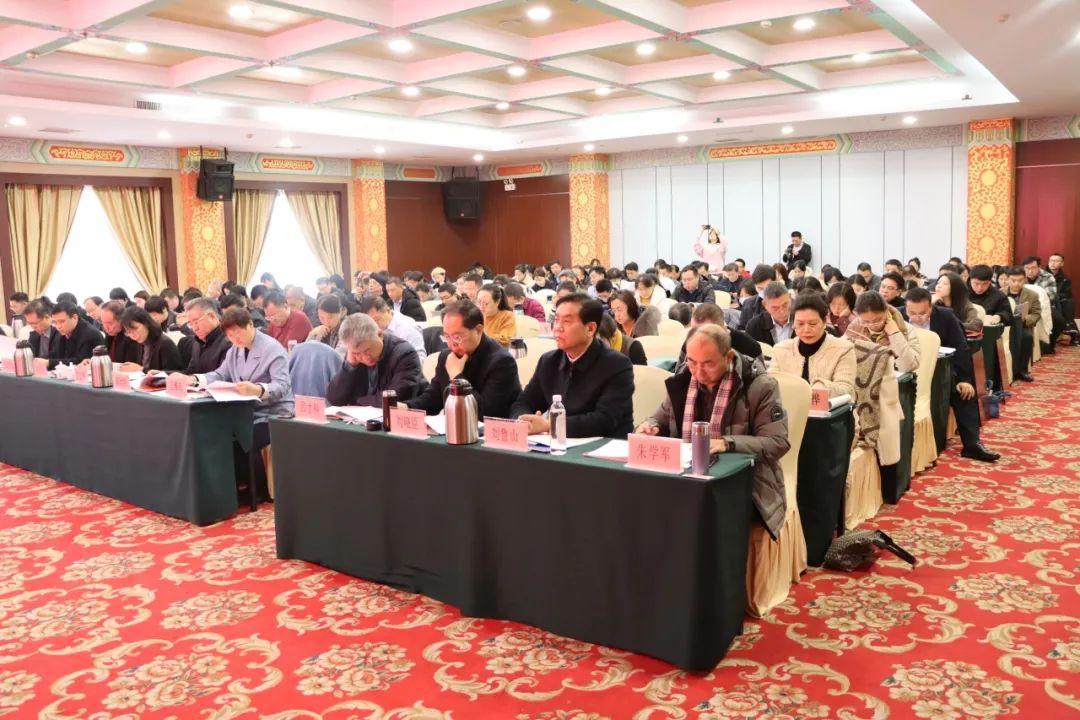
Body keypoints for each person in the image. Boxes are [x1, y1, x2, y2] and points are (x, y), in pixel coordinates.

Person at [636, 324, 790, 538]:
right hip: (686, 475)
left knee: (698, 514)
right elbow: (659, 418)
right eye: (692, 362)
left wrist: (727, 443)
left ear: (728, 357)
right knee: (642, 502)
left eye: (708, 364)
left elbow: (777, 442)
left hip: (746, 482)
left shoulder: (759, 385)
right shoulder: (683, 381)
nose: (698, 372)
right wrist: (649, 427)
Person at [176, 307, 293, 502]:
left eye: (238, 333)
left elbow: (282, 386)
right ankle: (233, 485)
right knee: (218, 436)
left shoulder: (272, 349)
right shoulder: (235, 349)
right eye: (230, 335)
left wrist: (258, 389)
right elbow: (220, 374)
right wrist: (195, 379)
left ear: (250, 325)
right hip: (244, 411)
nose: (234, 339)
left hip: (273, 412)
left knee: (245, 439)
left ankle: (258, 490)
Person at [510, 294, 634, 437]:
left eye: (566, 322)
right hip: (556, 443)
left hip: (603, 446)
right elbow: (524, 402)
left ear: (590, 329)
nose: (557, 328)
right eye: (556, 320)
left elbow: (604, 420)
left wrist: (549, 425)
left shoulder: (617, 364)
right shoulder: (549, 361)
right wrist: (523, 421)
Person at [904, 288, 1000, 462]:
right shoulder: (897, 317)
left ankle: (972, 444)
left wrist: (964, 380)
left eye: (923, 313)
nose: (917, 318)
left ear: (931, 307)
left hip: (943, 371)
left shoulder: (946, 317)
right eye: (912, 313)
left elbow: (962, 349)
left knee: (964, 393)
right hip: (909, 374)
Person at [407, 300, 521, 418]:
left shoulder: (502, 362)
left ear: (478, 330)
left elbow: (485, 413)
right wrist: (407, 407)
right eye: (447, 337)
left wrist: (456, 377)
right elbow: (433, 398)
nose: (451, 344)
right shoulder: (447, 356)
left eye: (457, 337)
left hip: (493, 427)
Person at [771, 293, 857, 398]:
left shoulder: (843, 349)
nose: (806, 329)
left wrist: (822, 386)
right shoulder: (780, 350)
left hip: (829, 408)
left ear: (824, 322)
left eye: (812, 324)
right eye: (800, 324)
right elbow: (771, 385)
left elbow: (846, 390)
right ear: (793, 324)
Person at [327, 312, 422, 407]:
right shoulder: (353, 357)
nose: (365, 357)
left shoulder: (405, 354)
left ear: (380, 335)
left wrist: (357, 401)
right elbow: (334, 399)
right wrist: (349, 366)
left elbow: (394, 400)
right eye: (357, 354)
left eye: (368, 350)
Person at [844, 291, 920, 374]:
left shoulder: (905, 329)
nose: (872, 325)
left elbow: (908, 367)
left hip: (893, 378)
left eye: (877, 320)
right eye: (866, 322)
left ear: (886, 311)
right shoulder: (854, 328)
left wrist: (895, 334)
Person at [359, 295, 426, 360]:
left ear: (388, 311)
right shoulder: (373, 328)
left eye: (377, 320)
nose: (374, 325)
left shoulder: (407, 328)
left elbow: (420, 358)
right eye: (371, 322)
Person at [118, 306, 182, 372]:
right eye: (128, 332)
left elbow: (174, 374)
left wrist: (141, 369)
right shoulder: (140, 342)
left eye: (135, 329)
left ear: (146, 323)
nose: (133, 335)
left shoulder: (165, 344)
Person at [1004, 266, 1040, 382]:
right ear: (1007, 279)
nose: (1016, 284)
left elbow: (1036, 314)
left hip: (1022, 325)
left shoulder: (1032, 295)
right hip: (1005, 326)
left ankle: (1022, 370)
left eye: (1020, 280)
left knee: (1027, 337)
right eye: (1013, 280)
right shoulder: (1000, 293)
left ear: (1024, 279)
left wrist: (1025, 318)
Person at [48, 301, 103, 369]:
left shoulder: (90, 335)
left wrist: (49, 363)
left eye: (62, 321)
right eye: (55, 322)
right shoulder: (60, 332)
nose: (58, 326)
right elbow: (55, 354)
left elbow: (80, 361)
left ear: (74, 317)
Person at [183, 298, 231, 375]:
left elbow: (223, 376)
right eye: (190, 324)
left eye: (196, 322)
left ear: (212, 316)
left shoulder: (229, 341)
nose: (195, 328)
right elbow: (191, 372)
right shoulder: (198, 342)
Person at [744, 282, 792, 347]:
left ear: (790, 298)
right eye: (775, 308)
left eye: (785, 305)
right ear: (764, 305)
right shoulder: (754, 326)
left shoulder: (802, 318)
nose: (781, 311)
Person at [95, 300, 142, 365]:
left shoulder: (132, 336)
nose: (106, 328)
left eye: (110, 323)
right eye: (103, 323)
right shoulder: (110, 334)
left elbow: (128, 366)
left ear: (121, 320)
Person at [1048, 252, 1078, 343]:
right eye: (1051, 261)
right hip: (1047, 299)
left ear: (1062, 264)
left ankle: (1068, 327)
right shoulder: (1043, 276)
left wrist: (1057, 295)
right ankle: (1069, 328)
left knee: (1070, 301)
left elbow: (1067, 293)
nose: (1053, 263)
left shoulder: (1065, 279)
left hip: (1059, 301)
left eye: (1056, 261)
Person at [738, 264, 778, 329]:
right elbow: (742, 328)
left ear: (775, 282)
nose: (764, 292)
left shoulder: (785, 302)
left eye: (767, 287)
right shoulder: (748, 304)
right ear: (754, 285)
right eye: (760, 288)